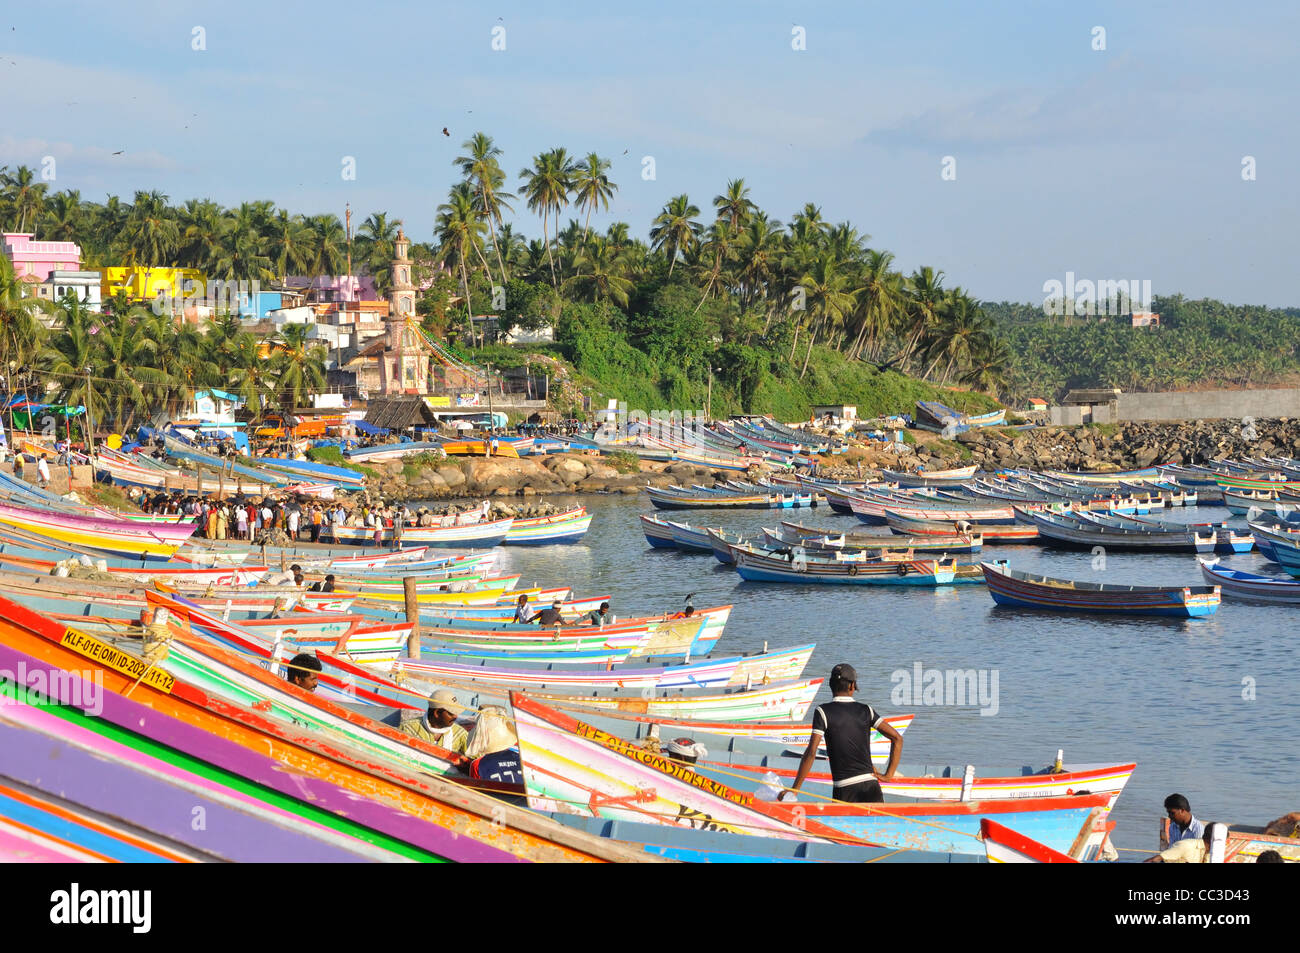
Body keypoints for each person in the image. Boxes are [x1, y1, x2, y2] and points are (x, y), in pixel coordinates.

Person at [785, 663, 902, 804]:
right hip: (871, 787)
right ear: (852, 686)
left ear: (830, 685)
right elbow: (897, 738)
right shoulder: (866, 710)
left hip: (844, 789)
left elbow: (811, 752)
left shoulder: (822, 712)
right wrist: (888, 775)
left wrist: (795, 789)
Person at [399, 689, 468, 754]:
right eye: (451, 713)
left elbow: (474, 758)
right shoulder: (408, 729)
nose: (455, 716)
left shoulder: (460, 734)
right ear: (437, 713)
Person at [1146, 823, 1222, 863]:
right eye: (1222, 841)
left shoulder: (1212, 854)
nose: (1224, 845)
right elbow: (1153, 860)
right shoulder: (1186, 846)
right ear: (1213, 839)